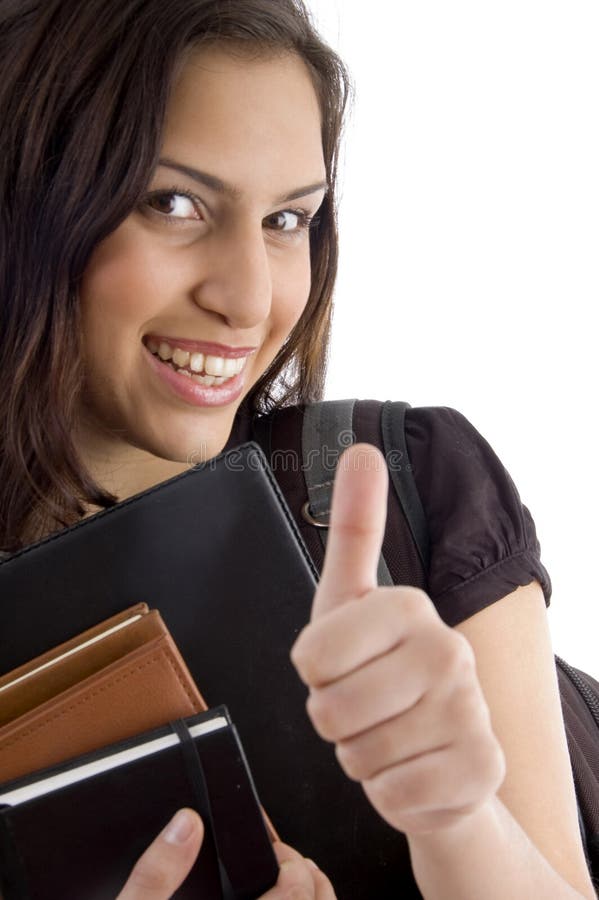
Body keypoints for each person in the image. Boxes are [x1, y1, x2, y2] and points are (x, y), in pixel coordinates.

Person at [0, 0, 595, 898]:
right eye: (174, 203)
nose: (249, 298)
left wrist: (456, 819)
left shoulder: (402, 481)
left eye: (288, 220)